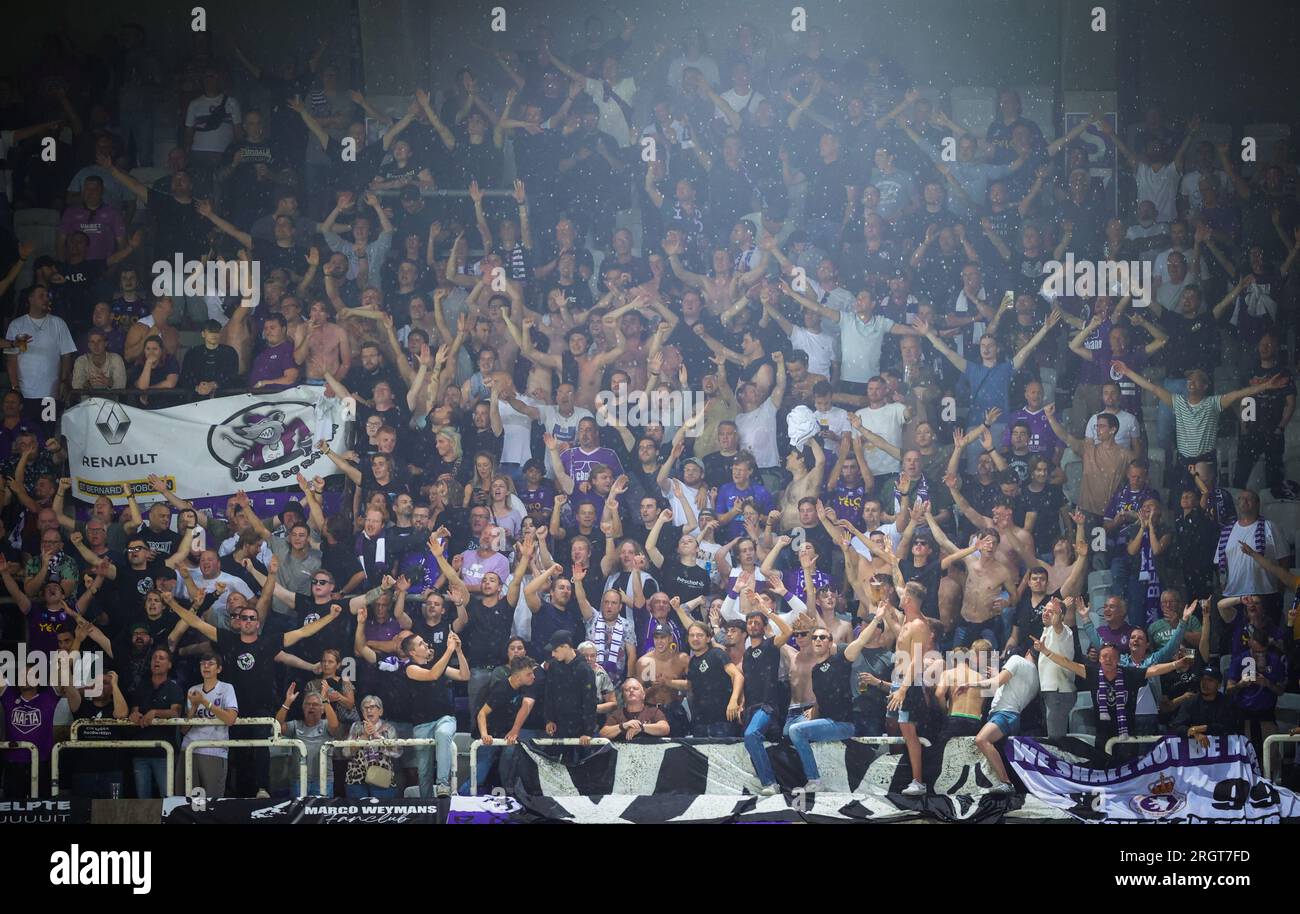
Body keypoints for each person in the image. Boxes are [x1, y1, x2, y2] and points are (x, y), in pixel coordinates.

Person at [969, 641, 1040, 793]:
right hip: (1013, 716)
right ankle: (1005, 782)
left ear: (1027, 652)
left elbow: (995, 683)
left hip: (1004, 713)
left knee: (982, 740)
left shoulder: (1016, 660)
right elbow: (1011, 688)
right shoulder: (1037, 677)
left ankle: (1006, 782)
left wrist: (970, 683)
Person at [667, 621, 743, 737]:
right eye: (692, 635)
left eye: (700, 635)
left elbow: (738, 676)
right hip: (700, 722)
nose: (695, 638)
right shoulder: (692, 661)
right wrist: (667, 682)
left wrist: (734, 701)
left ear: (708, 638)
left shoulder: (717, 654)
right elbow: (689, 685)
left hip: (722, 720)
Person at [181, 650, 239, 799]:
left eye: (211, 663)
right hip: (189, 749)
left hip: (214, 751)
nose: (206, 666)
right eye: (203, 664)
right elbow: (183, 729)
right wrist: (194, 707)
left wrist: (204, 702)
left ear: (219, 669)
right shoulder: (193, 690)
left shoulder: (227, 688)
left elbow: (230, 719)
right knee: (188, 802)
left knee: (212, 802)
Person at [277, 681, 344, 796]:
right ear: (303, 708)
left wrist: (325, 700)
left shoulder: (326, 725)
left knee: (322, 813)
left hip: (323, 779)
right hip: (299, 780)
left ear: (322, 709)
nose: (311, 707)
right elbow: (277, 727)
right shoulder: (296, 725)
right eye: (307, 704)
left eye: (315, 704)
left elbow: (335, 727)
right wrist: (287, 702)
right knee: (298, 813)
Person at [343, 695, 402, 798]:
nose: (369, 710)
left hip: (382, 778)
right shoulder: (356, 726)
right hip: (357, 779)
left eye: (372, 707)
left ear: (380, 711)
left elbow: (397, 752)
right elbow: (346, 752)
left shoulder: (389, 728)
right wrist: (364, 736)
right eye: (365, 708)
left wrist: (377, 736)